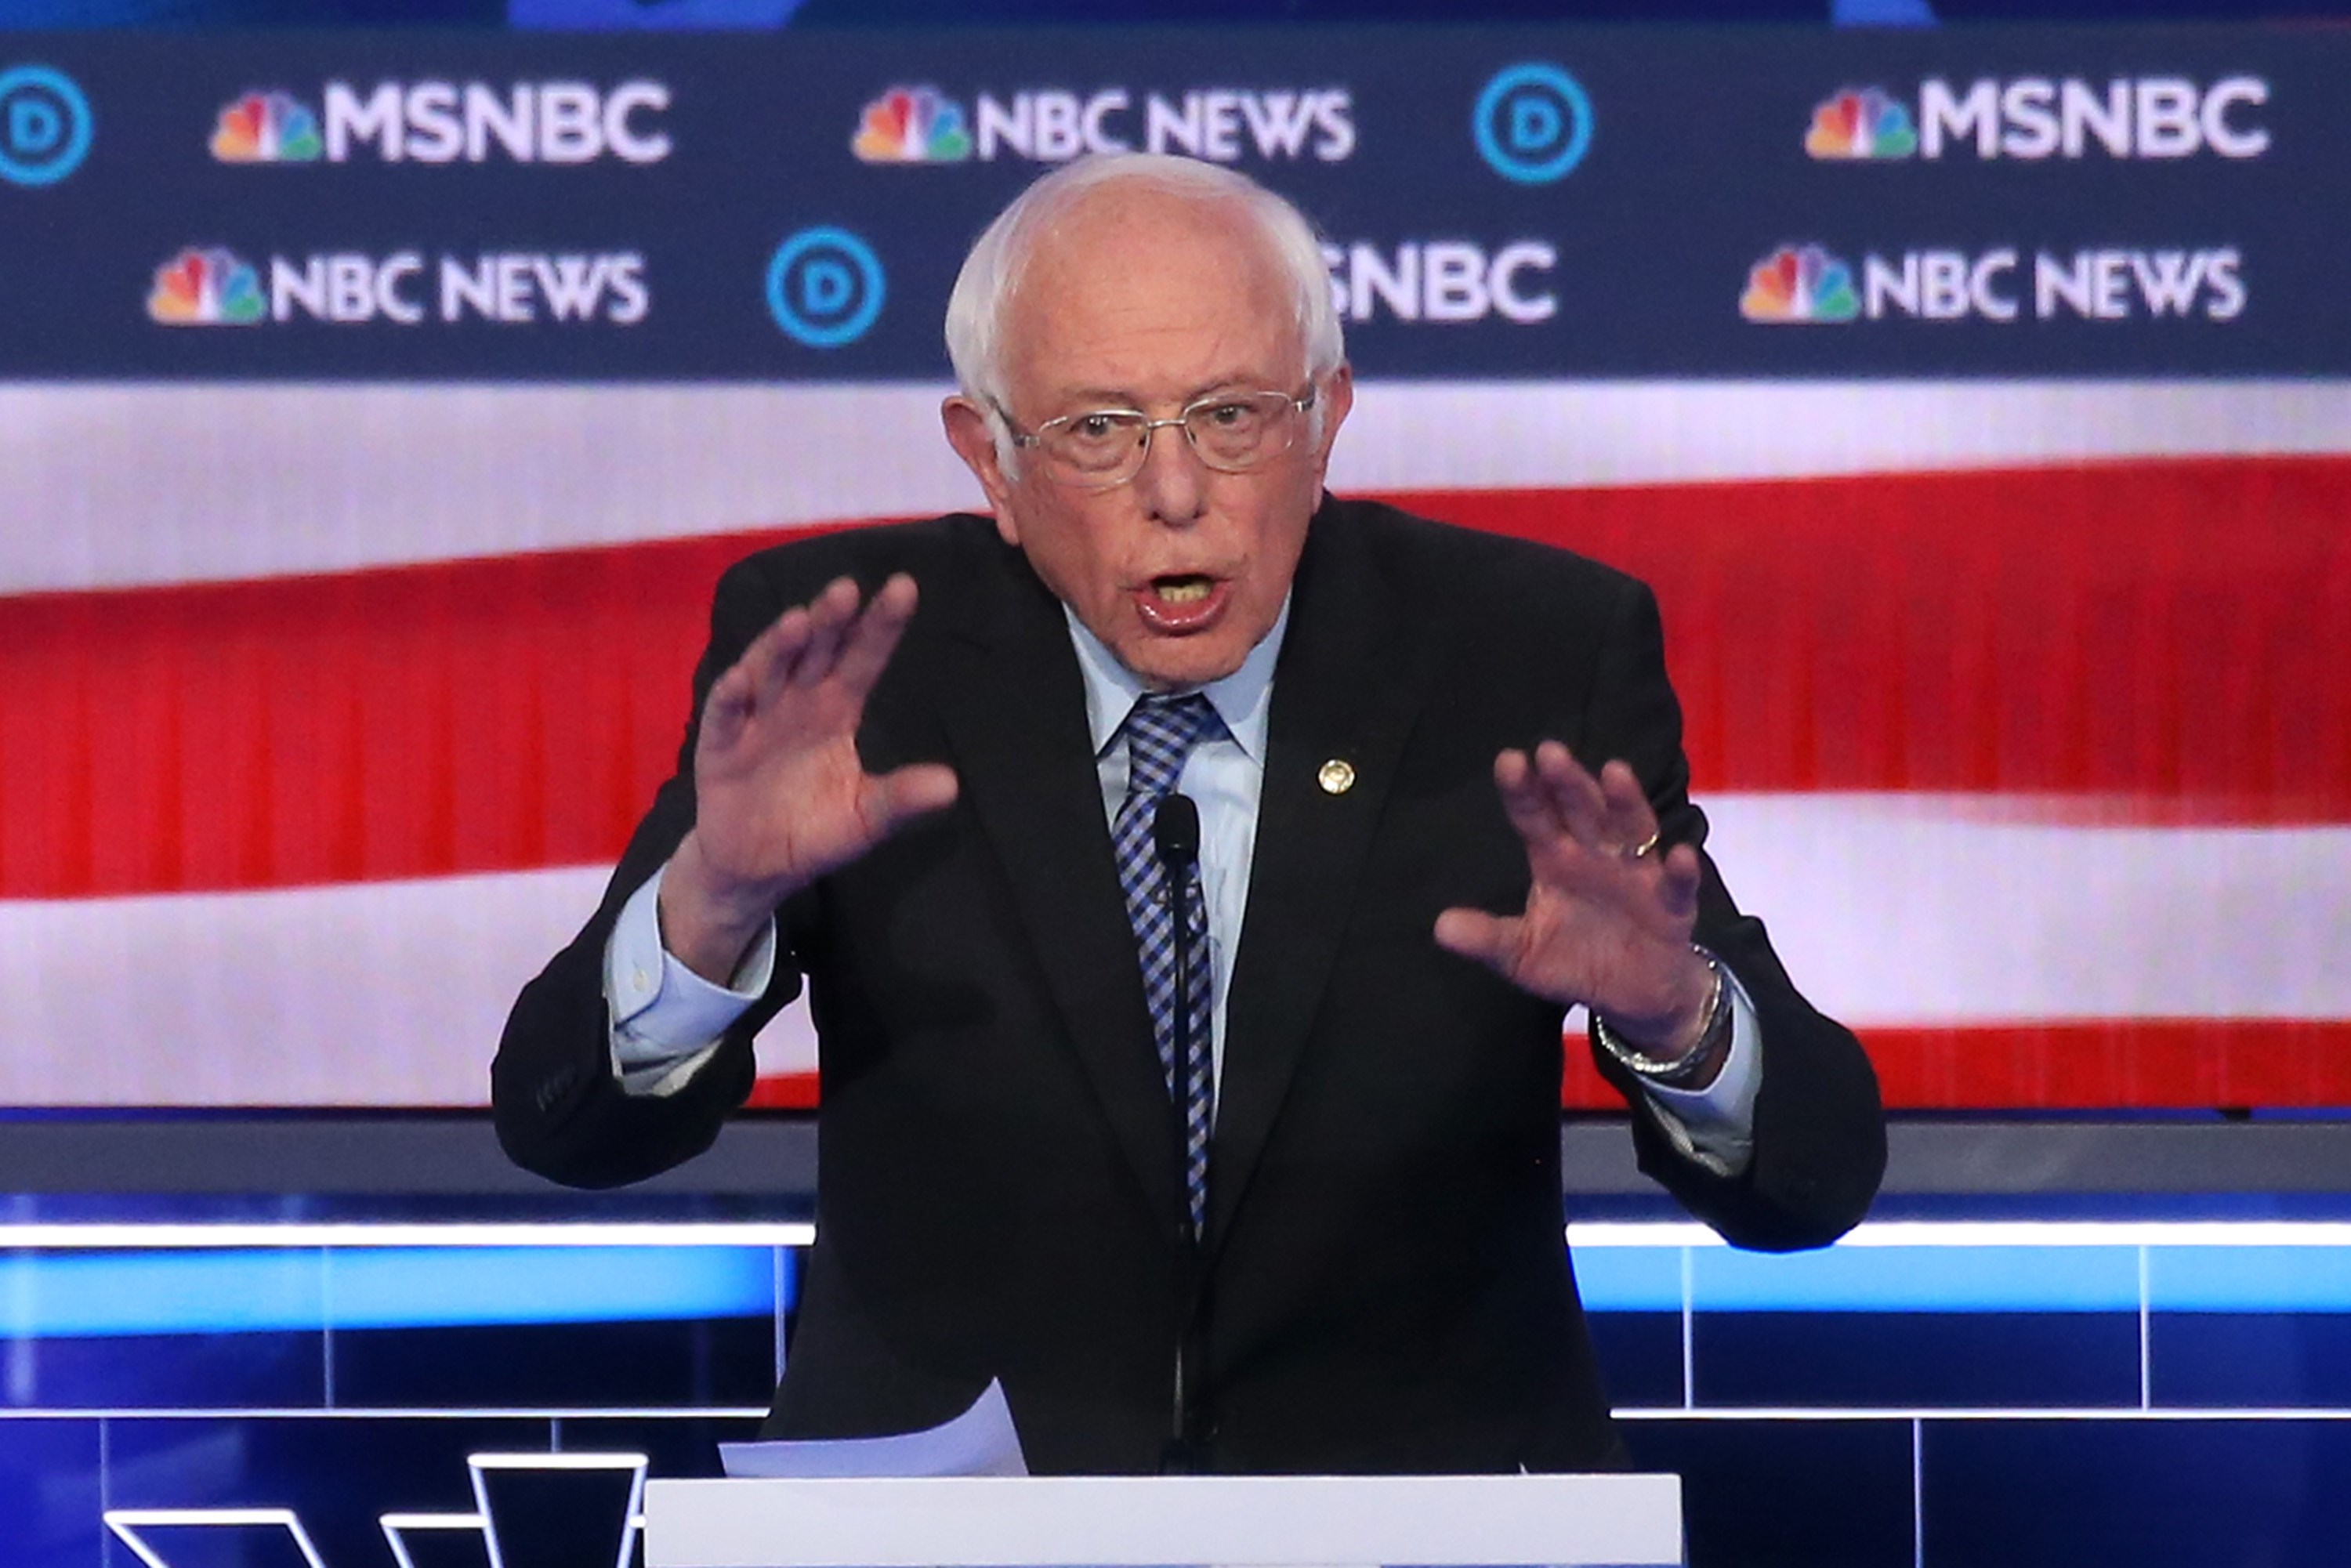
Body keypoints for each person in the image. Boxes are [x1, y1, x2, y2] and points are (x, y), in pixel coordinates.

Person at [494, 153, 1884, 1475]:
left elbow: (1815, 1179)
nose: (1176, 494)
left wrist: (1677, 1018)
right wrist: (710, 909)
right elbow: (566, 1129)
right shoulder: (855, 661)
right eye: (1099, 431)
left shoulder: (1526, 654)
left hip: (1430, 1524)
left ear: (1329, 414)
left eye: (1231, 416)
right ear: (989, 459)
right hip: (955, 1532)